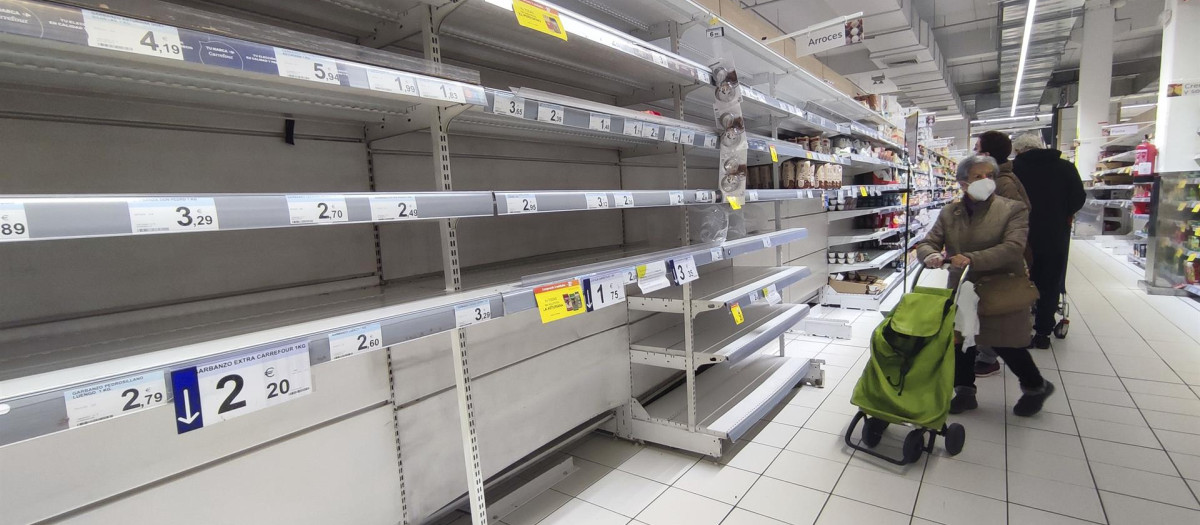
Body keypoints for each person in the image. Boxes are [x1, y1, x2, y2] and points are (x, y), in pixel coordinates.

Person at [915, 155, 1056, 417]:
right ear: (963, 183)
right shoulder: (950, 213)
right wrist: (930, 255)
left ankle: (1036, 386)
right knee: (961, 341)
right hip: (962, 288)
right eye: (977, 176)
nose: (985, 181)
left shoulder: (1012, 209)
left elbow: (1014, 248)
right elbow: (928, 242)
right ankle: (965, 392)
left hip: (1000, 287)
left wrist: (971, 258)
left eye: (989, 175)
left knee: (1005, 343)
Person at [1012, 133, 1087, 348]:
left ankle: (1021, 331)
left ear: (1019, 151)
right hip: (1055, 234)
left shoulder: (1014, 170)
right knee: (1050, 282)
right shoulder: (1065, 167)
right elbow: (1078, 198)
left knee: (1021, 281)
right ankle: (1043, 333)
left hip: (1022, 235)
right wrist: (1064, 213)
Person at [971, 131, 1031, 376]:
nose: (975, 153)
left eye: (978, 149)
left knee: (993, 312)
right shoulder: (995, 177)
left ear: (987, 154)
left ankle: (993, 360)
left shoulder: (1003, 182)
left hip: (998, 257)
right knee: (983, 309)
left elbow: (1015, 218)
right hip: (989, 255)